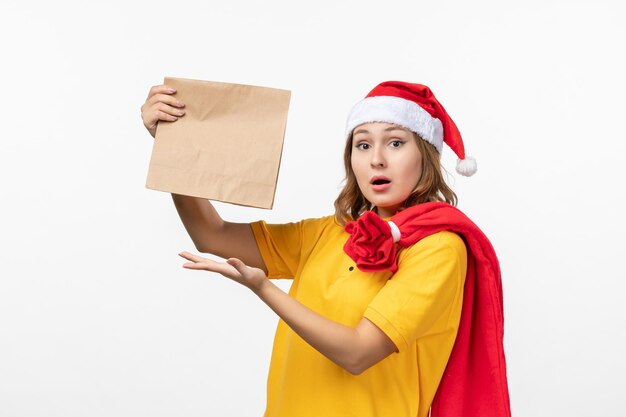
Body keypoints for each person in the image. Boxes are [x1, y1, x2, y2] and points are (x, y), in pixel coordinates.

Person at [140, 81, 511, 417]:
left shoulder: (439, 249)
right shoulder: (328, 234)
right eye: (363, 144)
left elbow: (357, 352)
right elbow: (212, 234)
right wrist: (175, 144)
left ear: (426, 155)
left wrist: (263, 287)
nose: (376, 158)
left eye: (395, 142)